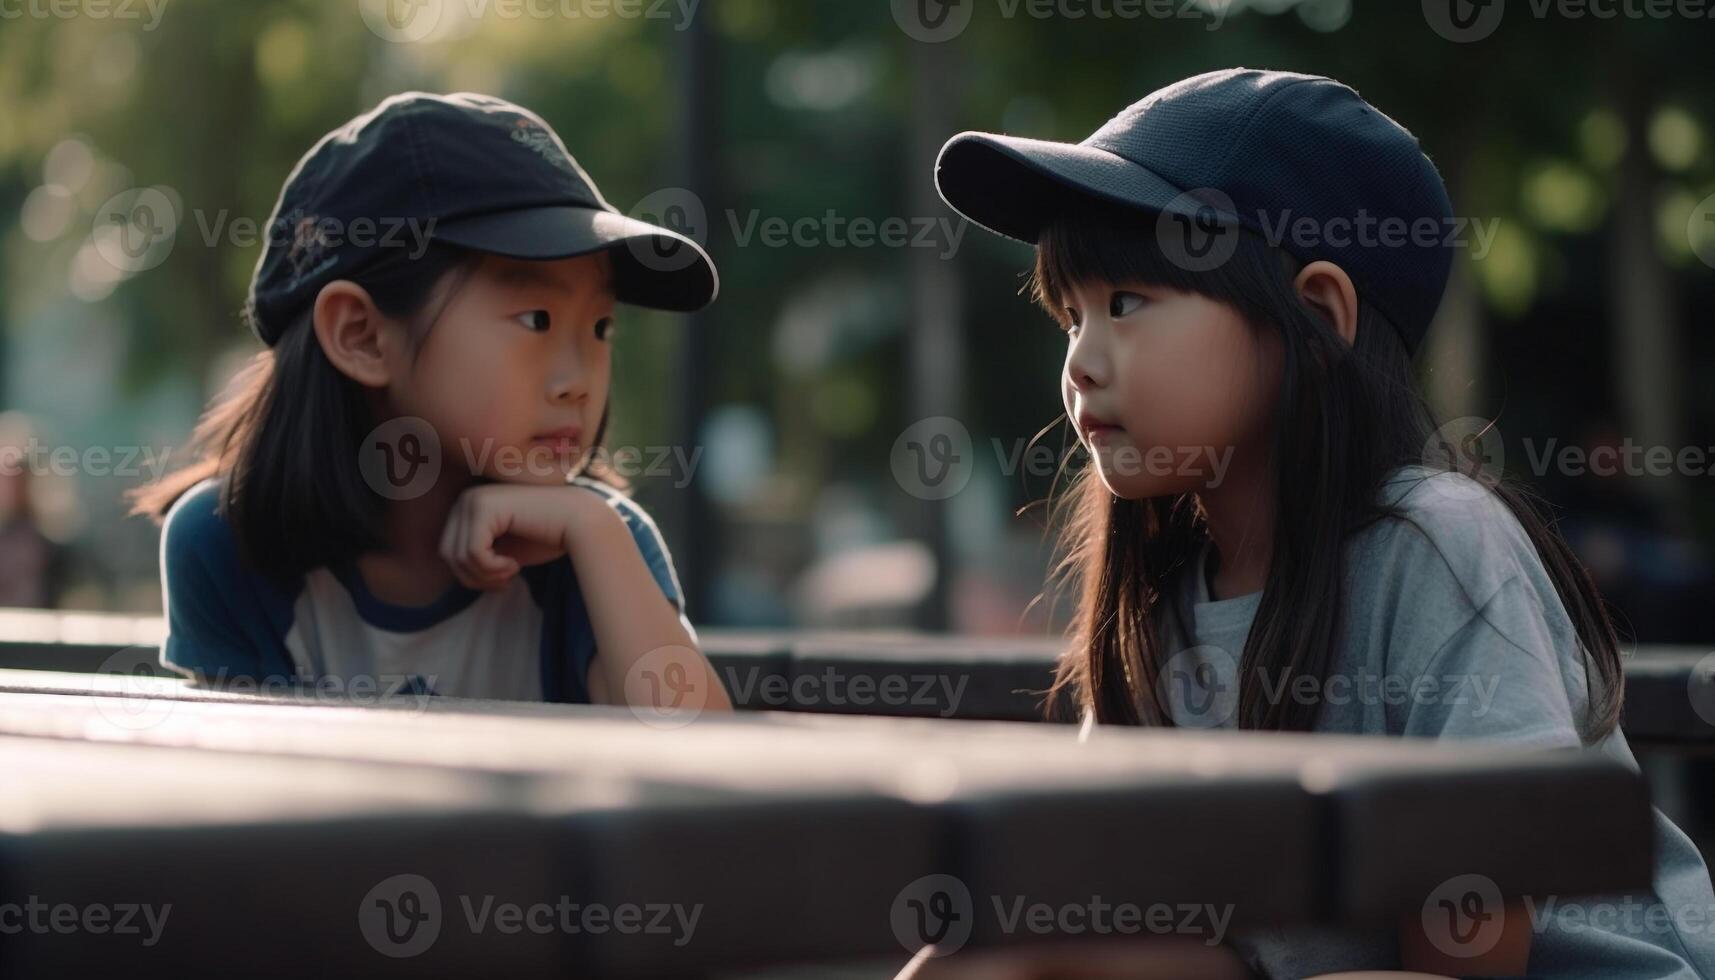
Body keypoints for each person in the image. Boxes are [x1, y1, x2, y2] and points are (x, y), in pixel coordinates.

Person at [925, 67, 1715, 978]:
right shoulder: (1163, 593)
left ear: (1315, 315)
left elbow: (1469, 949)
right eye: (1071, 315)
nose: (1082, 363)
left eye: (1128, 303)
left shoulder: (1436, 543)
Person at [132, 92, 730, 714]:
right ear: (361, 336)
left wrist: (594, 529)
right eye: (537, 318)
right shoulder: (229, 540)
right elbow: (236, 789)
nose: (579, 380)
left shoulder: (593, 544)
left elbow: (707, 764)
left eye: (601, 328)